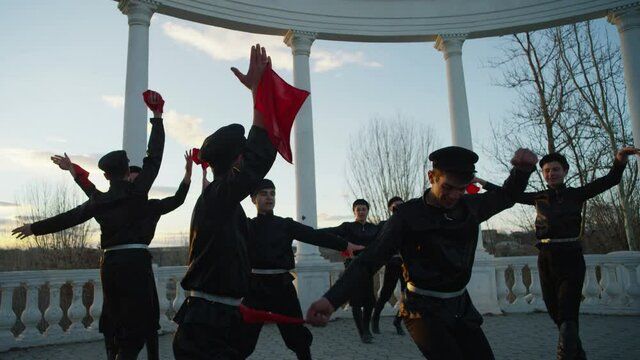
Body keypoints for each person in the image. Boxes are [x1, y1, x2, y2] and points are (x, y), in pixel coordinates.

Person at [306, 146, 538, 360]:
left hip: (460, 306)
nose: (454, 196)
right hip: (422, 311)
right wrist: (331, 300)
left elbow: (507, 197)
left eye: (461, 189)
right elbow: (368, 261)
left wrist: (522, 171)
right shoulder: (407, 216)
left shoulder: (471, 207)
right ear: (431, 177)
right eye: (447, 187)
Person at [12, 90, 166, 359]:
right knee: (140, 322)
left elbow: (69, 217)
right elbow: (154, 156)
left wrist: (34, 228)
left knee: (115, 317)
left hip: (110, 264)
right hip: (135, 262)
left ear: (106, 175)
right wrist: (157, 117)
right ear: (127, 168)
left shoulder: (99, 200)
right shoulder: (139, 189)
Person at [478, 148, 639, 360]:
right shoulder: (538, 198)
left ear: (565, 171)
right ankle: (577, 353)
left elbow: (610, 180)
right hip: (546, 257)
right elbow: (509, 195)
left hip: (570, 255)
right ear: (543, 174)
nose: (551, 173)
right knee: (555, 311)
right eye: (546, 171)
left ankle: (566, 355)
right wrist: (482, 182)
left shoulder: (576, 194)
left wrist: (620, 160)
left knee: (567, 310)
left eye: (555, 169)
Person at [171, 44, 277, 360]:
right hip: (204, 329)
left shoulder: (225, 203)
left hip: (220, 321)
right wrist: (259, 93)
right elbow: (257, 159)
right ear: (235, 164)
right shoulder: (217, 199)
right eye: (242, 157)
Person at [51, 150, 193, 360]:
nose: (133, 181)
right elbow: (89, 196)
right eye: (130, 177)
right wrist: (73, 171)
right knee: (115, 322)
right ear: (125, 176)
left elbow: (178, 199)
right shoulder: (110, 200)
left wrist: (187, 176)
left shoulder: (150, 206)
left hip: (134, 267)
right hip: (117, 267)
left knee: (146, 322)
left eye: (137, 178)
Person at [235, 179, 363, 360]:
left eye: (272, 193)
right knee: (243, 342)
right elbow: (224, 220)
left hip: (283, 287)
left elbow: (314, 235)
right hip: (255, 288)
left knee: (297, 339)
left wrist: (345, 244)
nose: (269, 197)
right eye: (264, 193)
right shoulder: (247, 226)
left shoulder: (285, 225)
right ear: (253, 199)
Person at [321, 199, 380, 344]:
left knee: (369, 301)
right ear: (354, 212)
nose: (361, 212)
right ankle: (362, 333)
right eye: (358, 209)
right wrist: (309, 233)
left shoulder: (374, 228)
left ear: (367, 211)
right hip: (352, 267)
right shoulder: (348, 227)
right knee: (356, 300)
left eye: (363, 209)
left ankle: (366, 328)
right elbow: (331, 232)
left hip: (368, 268)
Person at [371, 196, 406, 335]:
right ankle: (375, 319)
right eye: (395, 206)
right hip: (392, 263)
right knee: (385, 293)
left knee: (408, 296)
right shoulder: (384, 225)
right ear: (390, 209)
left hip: (407, 266)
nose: (398, 209)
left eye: (401, 206)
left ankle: (398, 321)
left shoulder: (409, 225)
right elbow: (376, 241)